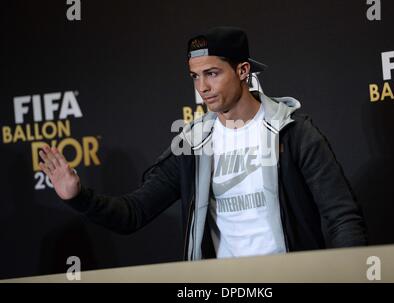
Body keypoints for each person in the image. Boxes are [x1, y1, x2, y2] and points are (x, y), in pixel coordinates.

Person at [39, 26, 367, 261]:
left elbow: (343, 218)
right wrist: (79, 197)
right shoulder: (192, 145)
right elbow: (133, 213)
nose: (202, 87)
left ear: (243, 70)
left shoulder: (294, 134)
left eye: (211, 73)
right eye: (195, 76)